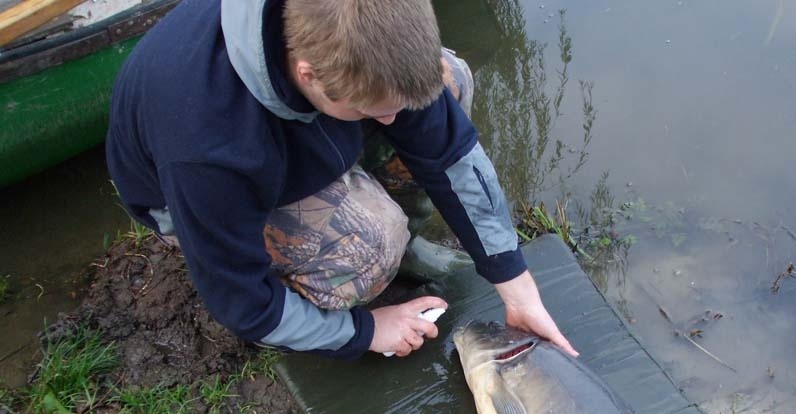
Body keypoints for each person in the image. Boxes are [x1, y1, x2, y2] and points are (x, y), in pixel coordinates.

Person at [106, 0, 577, 360]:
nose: (396, 120)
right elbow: (244, 305)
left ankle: (404, 245)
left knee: (448, 80)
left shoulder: (343, 33)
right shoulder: (210, 150)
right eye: (378, 110)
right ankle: (339, 277)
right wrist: (366, 332)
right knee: (369, 246)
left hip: (302, 132)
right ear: (308, 75)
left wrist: (515, 284)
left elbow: (450, 150)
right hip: (207, 196)